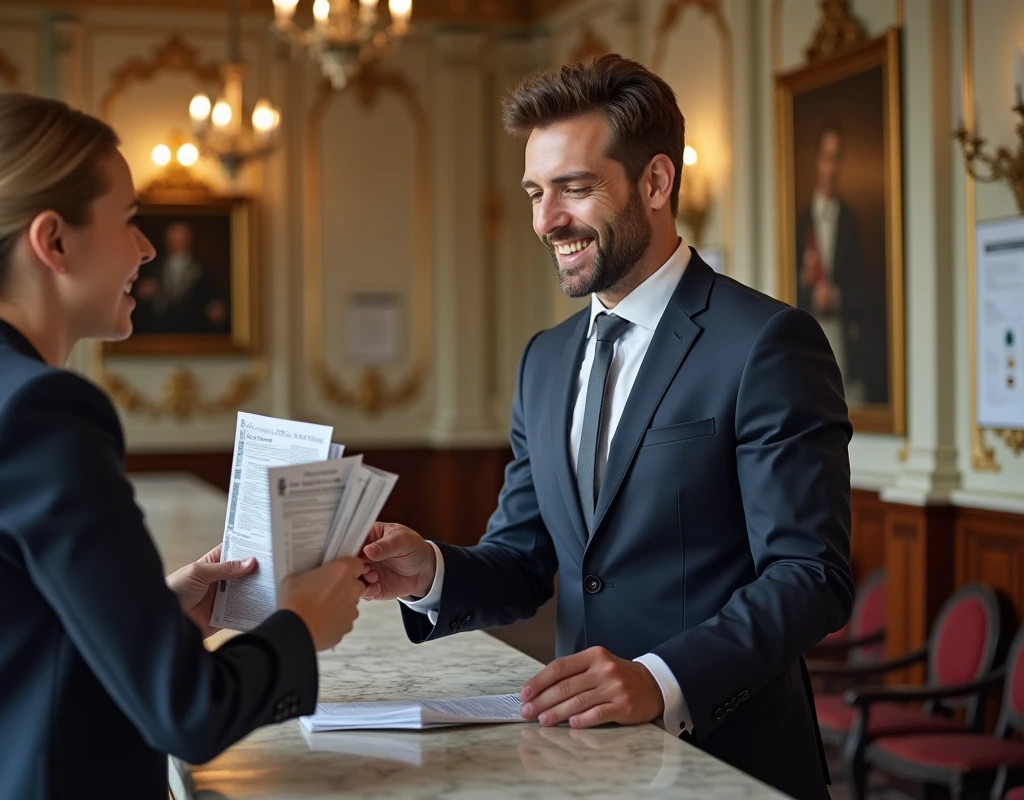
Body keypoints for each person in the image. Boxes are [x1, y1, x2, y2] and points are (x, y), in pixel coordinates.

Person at [0, 91, 366, 800]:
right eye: (130, 220)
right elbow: (190, 714)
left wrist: (157, 607)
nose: (146, 248)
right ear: (52, 241)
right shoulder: (37, 413)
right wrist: (301, 624)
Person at [359, 56, 854, 800]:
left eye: (574, 188)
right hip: (580, 763)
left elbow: (810, 575)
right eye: (535, 192)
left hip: (732, 763)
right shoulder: (544, 360)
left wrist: (660, 681)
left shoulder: (766, 342)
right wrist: (429, 571)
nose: (546, 220)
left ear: (655, 183)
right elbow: (524, 560)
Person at [795, 122, 884, 405]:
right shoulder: (798, 223)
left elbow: (869, 291)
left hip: (845, 339)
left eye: (837, 158)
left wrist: (838, 297)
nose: (831, 169)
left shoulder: (852, 221)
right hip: (806, 338)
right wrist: (805, 284)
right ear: (817, 161)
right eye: (826, 158)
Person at [131, 221, 229, 334]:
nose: (177, 242)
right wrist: (143, 293)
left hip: (193, 328)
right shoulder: (153, 267)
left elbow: (213, 299)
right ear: (167, 240)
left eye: (181, 238)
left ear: (189, 240)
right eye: (174, 238)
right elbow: (139, 295)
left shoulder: (202, 269)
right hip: (160, 328)